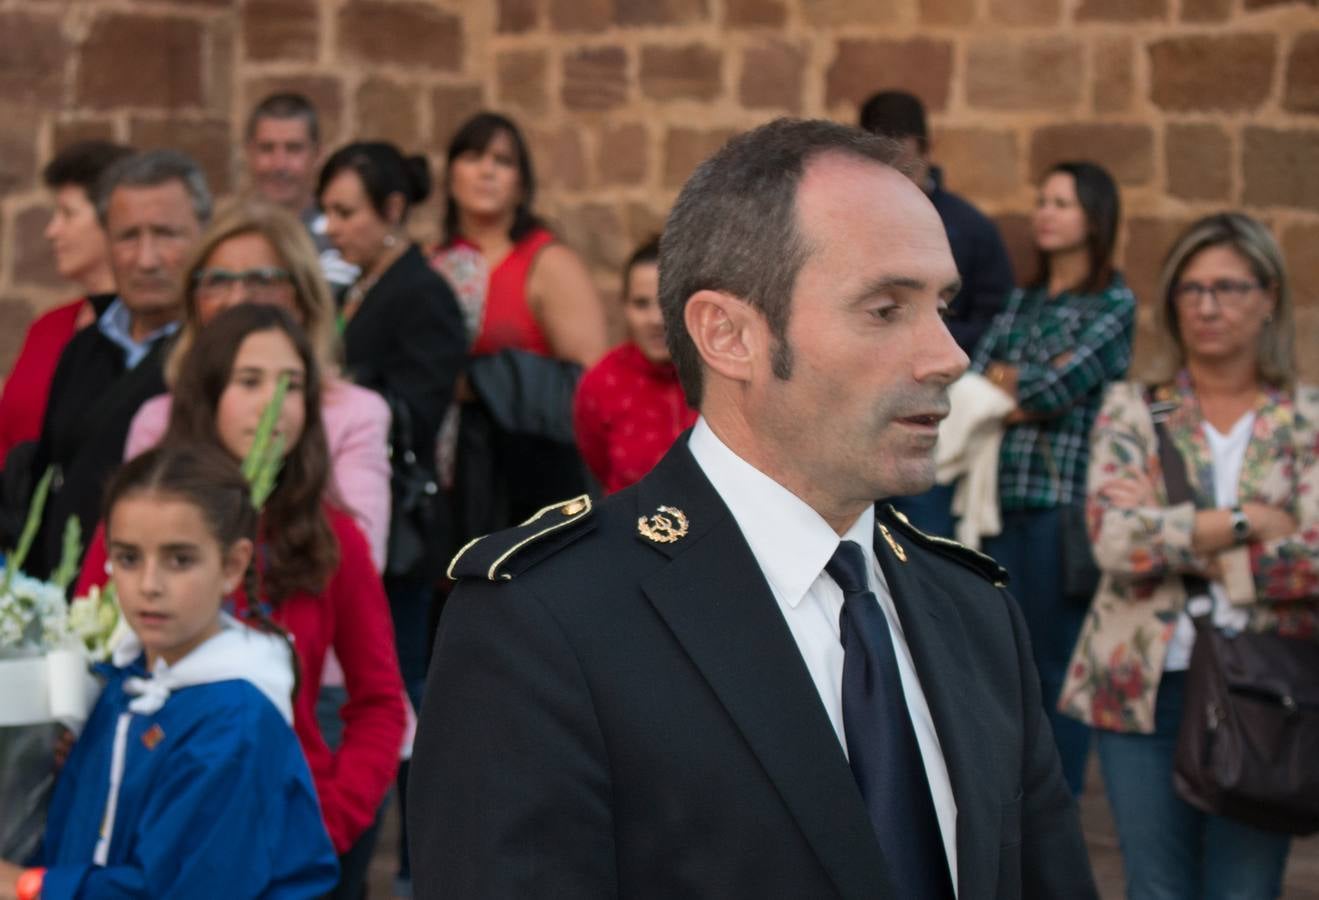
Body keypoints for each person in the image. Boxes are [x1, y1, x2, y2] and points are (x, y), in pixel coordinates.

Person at [409, 118, 1097, 898]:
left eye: (941, 305)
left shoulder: (974, 614)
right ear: (727, 335)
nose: (948, 356)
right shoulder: (545, 625)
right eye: (884, 309)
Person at [75, 304, 406, 898]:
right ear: (208, 392)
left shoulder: (334, 537)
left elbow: (380, 701)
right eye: (249, 381)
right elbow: (88, 649)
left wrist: (324, 819)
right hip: (145, 832)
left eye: (292, 385)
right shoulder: (140, 522)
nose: (270, 404)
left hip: (280, 840)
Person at [1059, 212, 1317, 898]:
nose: (1207, 305)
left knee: (1244, 889)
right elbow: (1112, 539)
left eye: (1228, 287)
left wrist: (1189, 545)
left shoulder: (1306, 421)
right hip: (1143, 686)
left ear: (1267, 298)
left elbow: (1315, 558)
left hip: (1267, 689)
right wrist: (1244, 521)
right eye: (1190, 289)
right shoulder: (1136, 411)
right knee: (1154, 887)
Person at [0, 443, 338, 898]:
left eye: (180, 560)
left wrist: (28, 886)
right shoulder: (127, 683)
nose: (149, 585)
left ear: (232, 565)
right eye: (128, 558)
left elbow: (188, 889)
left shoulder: (234, 722)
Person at [969, 160, 1136, 797]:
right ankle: (1011, 801)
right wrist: (1007, 385)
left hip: (1060, 507)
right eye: (1042, 200)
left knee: (1053, 664)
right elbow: (974, 379)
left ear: (1094, 217)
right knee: (1001, 664)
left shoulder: (1114, 303)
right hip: (993, 503)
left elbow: (1045, 387)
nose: (1045, 212)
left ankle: (1056, 807)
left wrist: (1010, 383)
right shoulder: (1022, 299)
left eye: (1061, 203)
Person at [124, 199, 392, 570]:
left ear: (302, 298)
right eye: (217, 281)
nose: (236, 299)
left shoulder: (355, 413)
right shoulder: (157, 419)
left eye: (261, 279)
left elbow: (361, 564)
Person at [20, 150, 209, 580]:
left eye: (166, 234)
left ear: (203, 236)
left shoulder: (216, 355)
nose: (146, 259)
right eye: (128, 236)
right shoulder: (83, 347)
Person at [433, 112, 609, 536]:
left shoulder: (548, 263)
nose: (487, 170)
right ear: (452, 172)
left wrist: (484, 381)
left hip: (525, 481)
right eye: (474, 156)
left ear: (521, 184)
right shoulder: (431, 263)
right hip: (444, 479)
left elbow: (590, 384)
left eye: (503, 160)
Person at [860, 91, 1016, 540]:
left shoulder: (968, 229)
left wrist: (924, 338)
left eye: (906, 163)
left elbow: (997, 318)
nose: (897, 176)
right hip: (858, 409)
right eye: (882, 164)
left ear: (928, 151)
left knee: (923, 541)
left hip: (934, 409)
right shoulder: (845, 226)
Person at [0, 140, 133, 463]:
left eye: (68, 214)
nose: (51, 231)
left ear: (112, 221)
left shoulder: (146, 332)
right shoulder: (49, 326)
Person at [573, 236, 696, 493]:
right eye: (641, 304)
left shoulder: (720, 374)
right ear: (624, 307)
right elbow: (598, 466)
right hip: (631, 528)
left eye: (667, 302)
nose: (656, 319)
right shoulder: (603, 382)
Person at [244, 92, 357, 295]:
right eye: (267, 148)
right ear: (250, 153)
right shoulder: (232, 230)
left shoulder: (340, 236)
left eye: (293, 149)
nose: (279, 164)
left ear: (318, 154)